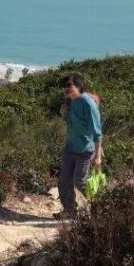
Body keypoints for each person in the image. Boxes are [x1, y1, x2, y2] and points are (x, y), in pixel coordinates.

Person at [56, 72, 103, 218]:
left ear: (79, 86)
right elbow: (73, 123)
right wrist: (65, 114)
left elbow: (97, 130)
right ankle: (69, 211)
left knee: (80, 182)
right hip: (70, 147)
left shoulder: (87, 103)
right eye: (65, 86)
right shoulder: (70, 101)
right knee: (64, 180)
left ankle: (101, 207)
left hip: (85, 150)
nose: (67, 89)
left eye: (70, 86)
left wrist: (98, 155)